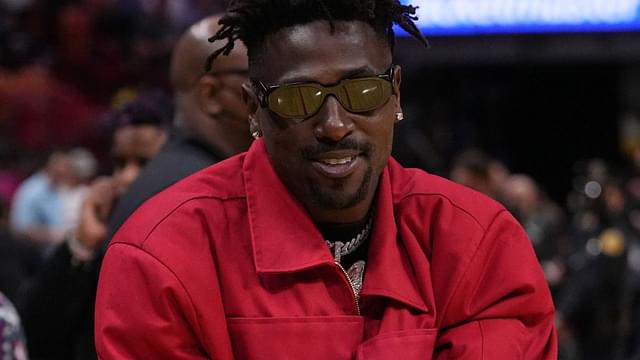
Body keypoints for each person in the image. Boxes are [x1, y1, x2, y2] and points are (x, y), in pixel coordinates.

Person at [96, 1, 557, 358]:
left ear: (395, 93)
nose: (334, 124)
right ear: (253, 108)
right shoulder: (160, 255)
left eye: (363, 91)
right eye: (299, 97)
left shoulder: (478, 241)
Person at [18, 96, 168, 360]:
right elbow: (37, 327)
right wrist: (80, 245)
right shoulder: (99, 225)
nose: (127, 177)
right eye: (120, 163)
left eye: (144, 163)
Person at [105, 14, 251, 239]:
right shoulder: (192, 194)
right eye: (257, 75)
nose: (273, 87)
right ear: (210, 94)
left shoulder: (179, 176)